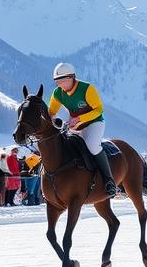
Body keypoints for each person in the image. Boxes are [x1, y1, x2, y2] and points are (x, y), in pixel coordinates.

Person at [48, 62, 117, 197]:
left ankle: (109, 180)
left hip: (94, 123)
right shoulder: (57, 93)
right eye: (57, 82)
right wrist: (52, 119)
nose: (60, 85)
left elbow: (99, 110)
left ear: (72, 77)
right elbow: (51, 112)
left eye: (63, 81)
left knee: (92, 146)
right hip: (75, 126)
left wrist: (80, 118)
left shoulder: (87, 89)